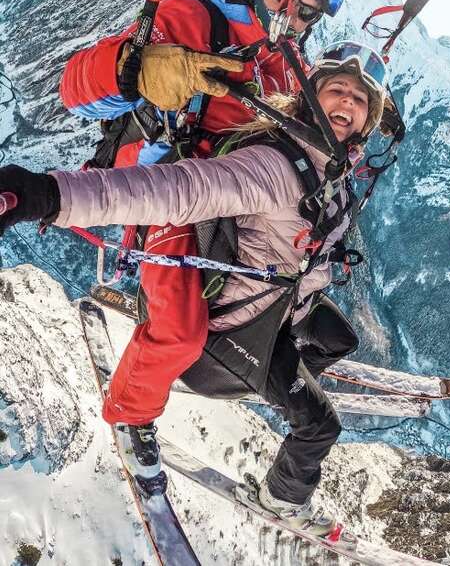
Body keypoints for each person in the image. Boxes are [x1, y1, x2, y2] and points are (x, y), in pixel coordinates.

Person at [0, 41, 387, 537]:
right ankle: (280, 498)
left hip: (283, 306)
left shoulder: (332, 172)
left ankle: (276, 382)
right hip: (237, 333)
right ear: (308, 98)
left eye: (358, 100)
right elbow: (170, 191)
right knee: (320, 427)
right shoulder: (273, 170)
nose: (347, 102)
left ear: (365, 124)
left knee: (340, 339)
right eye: (336, 89)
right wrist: (43, 196)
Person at [57, 0, 346, 482]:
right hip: (168, 190)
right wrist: (135, 68)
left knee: (293, 281)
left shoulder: (286, 67)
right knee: (182, 327)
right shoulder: (195, 21)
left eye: (307, 13)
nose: (292, 18)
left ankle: (266, 356)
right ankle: (130, 414)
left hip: (238, 203)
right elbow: (76, 87)